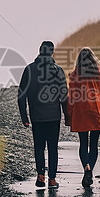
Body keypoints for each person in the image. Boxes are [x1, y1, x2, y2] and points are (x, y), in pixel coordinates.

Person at [17, 41, 68, 189]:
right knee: (53, 147)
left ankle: (40, 176)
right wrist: (67, 115)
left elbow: (21, 95)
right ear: (52, 53)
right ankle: (52, 179)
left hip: (36, 116)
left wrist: (24, 117)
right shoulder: (58, 70)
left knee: (39, 147)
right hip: (53, 116)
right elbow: (64, 95)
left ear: (39, 51)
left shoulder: (29, 70)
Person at [66, 47, 100, 187]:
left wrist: (69, 115)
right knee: (94, 144)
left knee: (83, 143)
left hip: (81, 113)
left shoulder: (74, 75)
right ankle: (90, 170)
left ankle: (86, 167)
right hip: (96, 112)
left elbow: (71, 98)